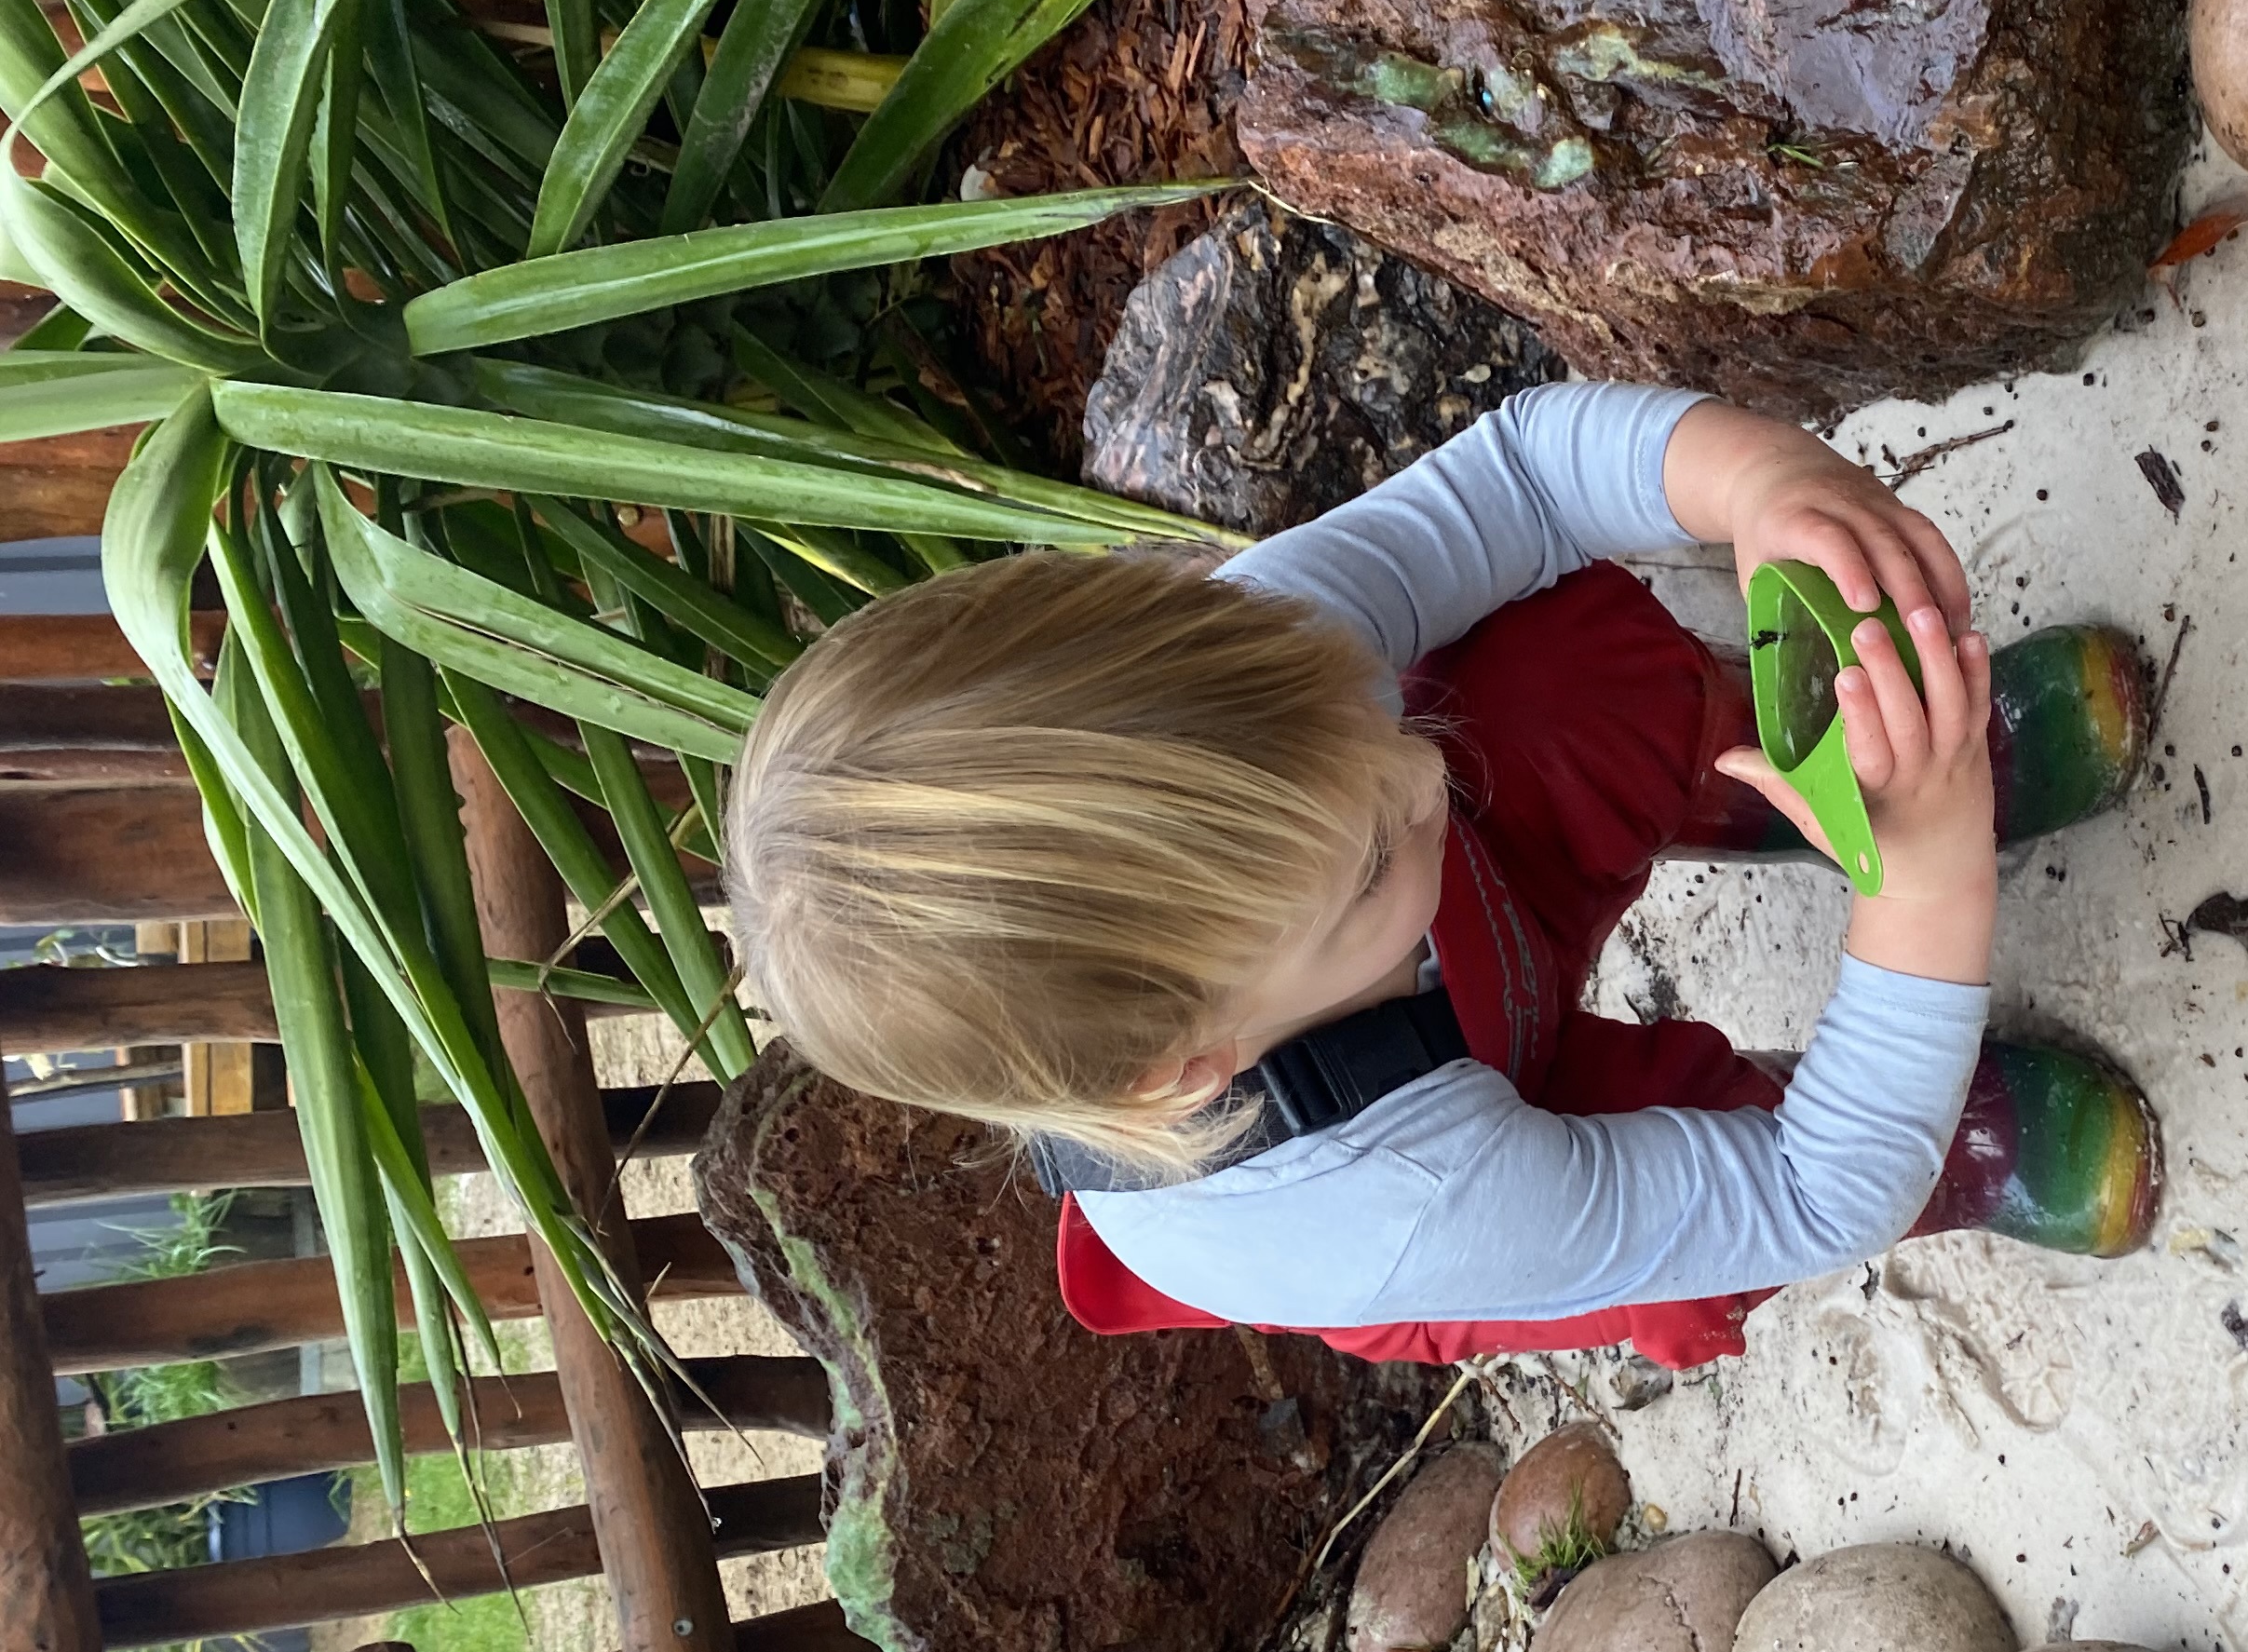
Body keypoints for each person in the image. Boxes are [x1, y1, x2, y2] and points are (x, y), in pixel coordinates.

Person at [724, 381, 2162, 1367]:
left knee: (1545, 675)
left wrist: (1760, 482)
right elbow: (1808, 1193)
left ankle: (1817, 781)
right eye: (1359, 853)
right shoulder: (1389, 1211)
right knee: (1694, 1243)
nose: (1421, 768)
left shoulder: (1241, 692)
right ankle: (1958, 1132)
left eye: (1351, 711)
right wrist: (1924, 888)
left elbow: (1527, 474)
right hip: (1443, 1142)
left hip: (1428, 943)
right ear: (1186, 1060)